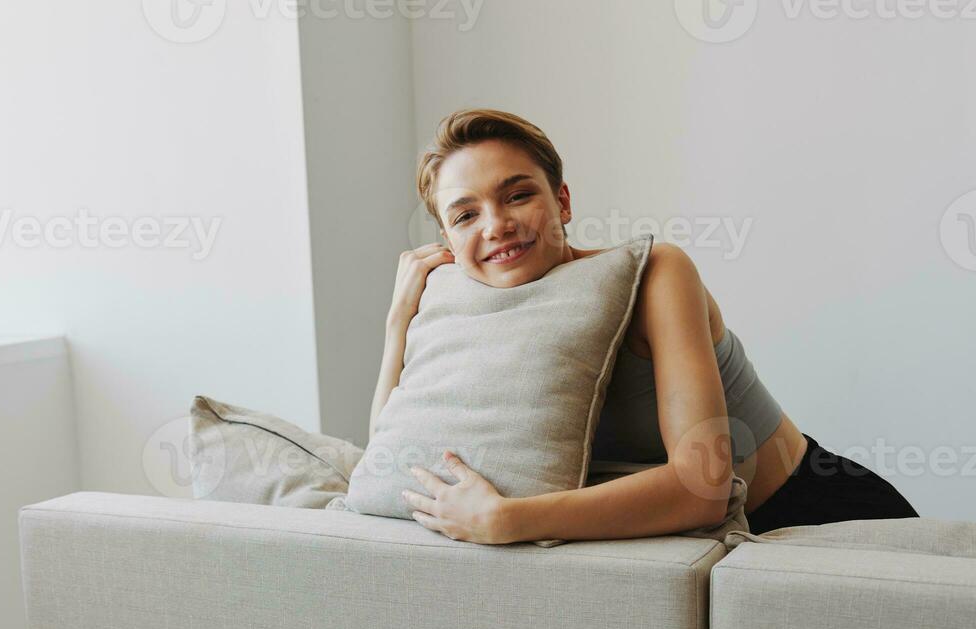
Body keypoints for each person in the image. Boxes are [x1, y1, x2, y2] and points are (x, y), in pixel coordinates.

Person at [376, 107, 917, 544]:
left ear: (562, 202)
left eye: (518, 194)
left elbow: (703, 489)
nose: (497, 226)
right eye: (466, 214)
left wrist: (509, 519)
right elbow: (389, 455)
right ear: (446, 240)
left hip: (811, 512)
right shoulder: (467, 312)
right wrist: (399, 323)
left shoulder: (656, 275)